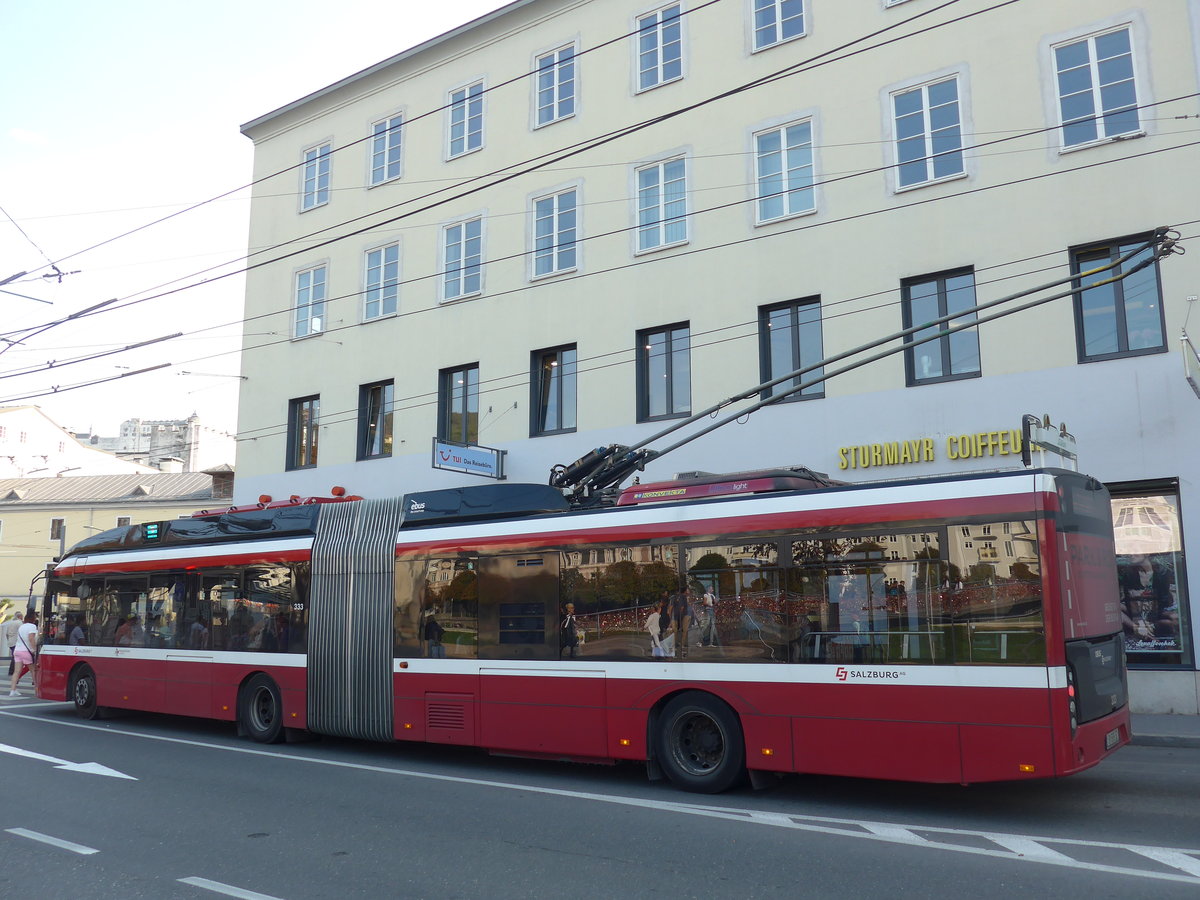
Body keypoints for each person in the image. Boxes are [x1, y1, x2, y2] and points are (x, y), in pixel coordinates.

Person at [9, 611, 39, 697]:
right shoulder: (32, 626)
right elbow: (31, 638)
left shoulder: (22, 626)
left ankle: (12, 690)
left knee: (16, 671)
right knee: (33, 671)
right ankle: (37, 690)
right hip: (26, 651)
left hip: (17, 650)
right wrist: (34, 649)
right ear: (33, 619)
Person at [669, 588, 694, 658]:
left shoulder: (684, 598)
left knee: (681, 631)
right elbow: (673, 608)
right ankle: (676, 646)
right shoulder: (676, 598)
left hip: (682, 616)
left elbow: (685, 607)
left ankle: (679, 646)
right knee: (678, 631)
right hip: (679, 616)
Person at [4, 611, 23, 675]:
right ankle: (13, 671)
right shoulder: (20, 623)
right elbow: (22, 633)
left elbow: (6, 634)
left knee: (14, 656)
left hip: (10, 642)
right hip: (16, 642)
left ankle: (12, 671)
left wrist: (9, 640)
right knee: (16, 657)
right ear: (20, 617)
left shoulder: (10, 623)